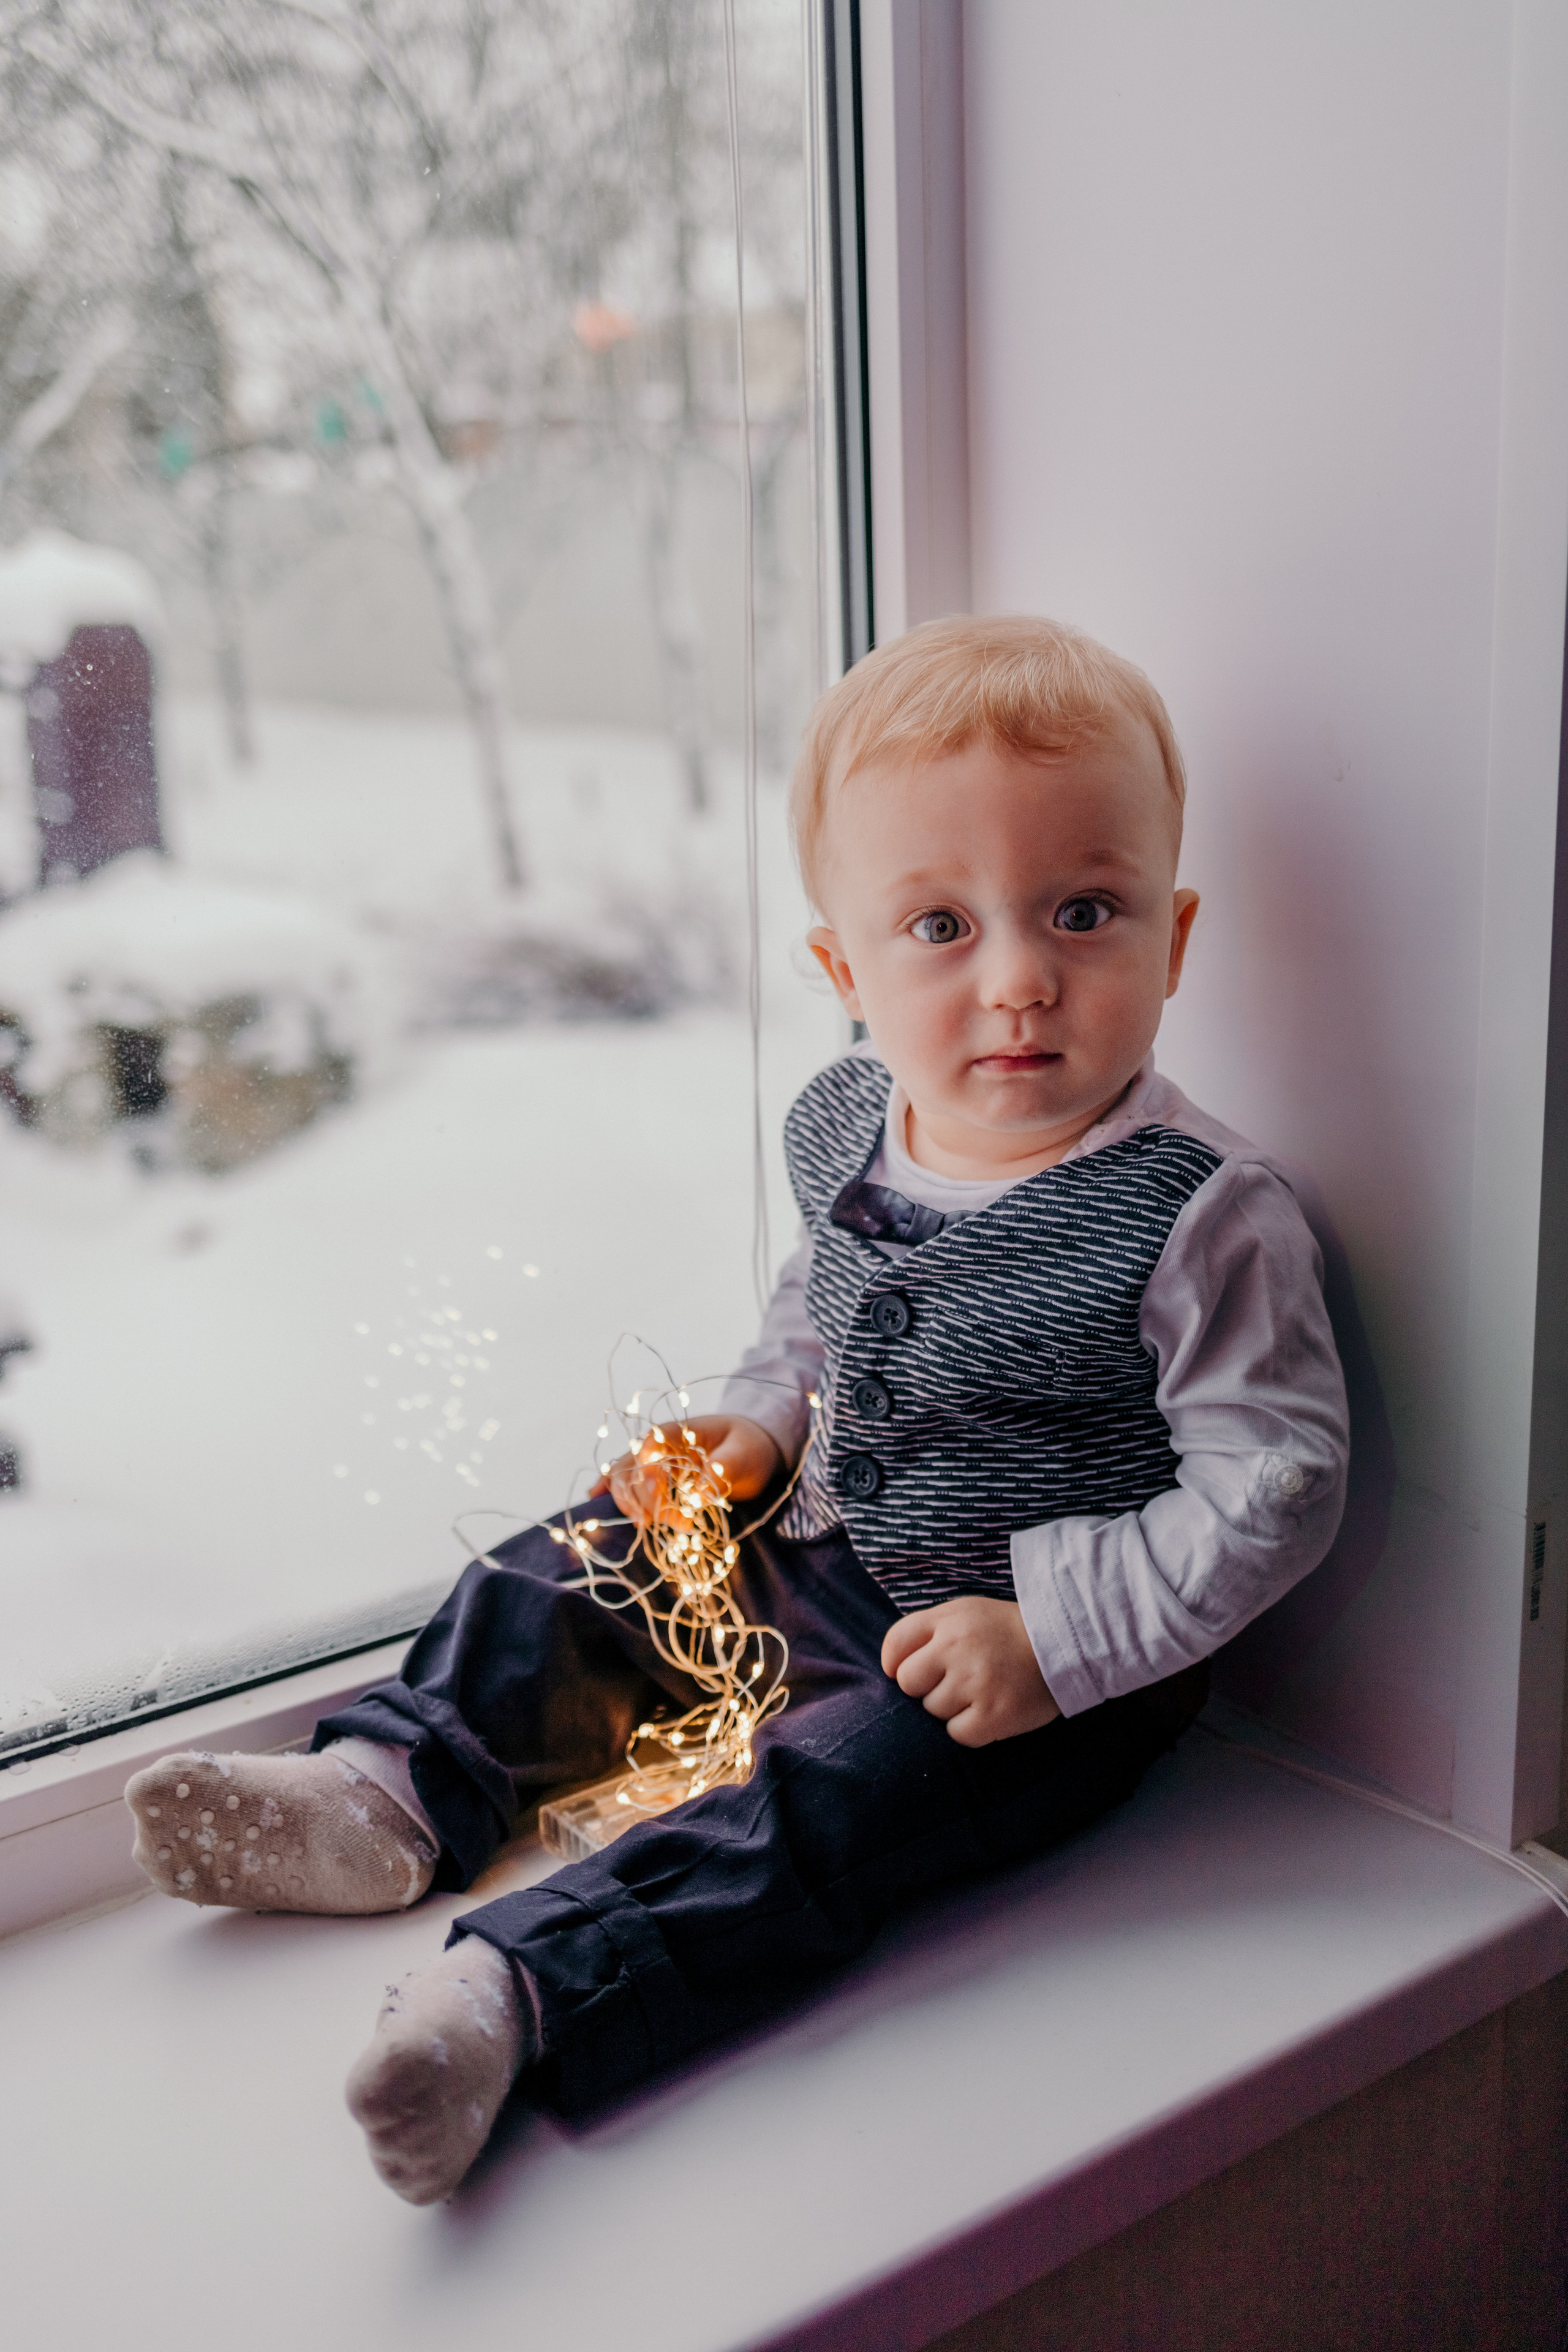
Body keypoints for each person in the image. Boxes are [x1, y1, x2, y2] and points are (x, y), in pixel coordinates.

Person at [124, 615, 1350, 2206]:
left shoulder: (1201, 1211)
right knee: (580, 1564)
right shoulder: (856, 1122)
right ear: (844, 971)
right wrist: (762, 1423)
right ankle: (393, 1791)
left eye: (1083, 911)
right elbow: (816, 1303)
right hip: (827, 1547)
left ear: (1173, 940)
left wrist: (1055, 1638)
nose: (1022, 976)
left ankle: (512, 1993)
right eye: (938, 926)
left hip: (1026, 1675)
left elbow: (1278, 1485)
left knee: (824, 1807)